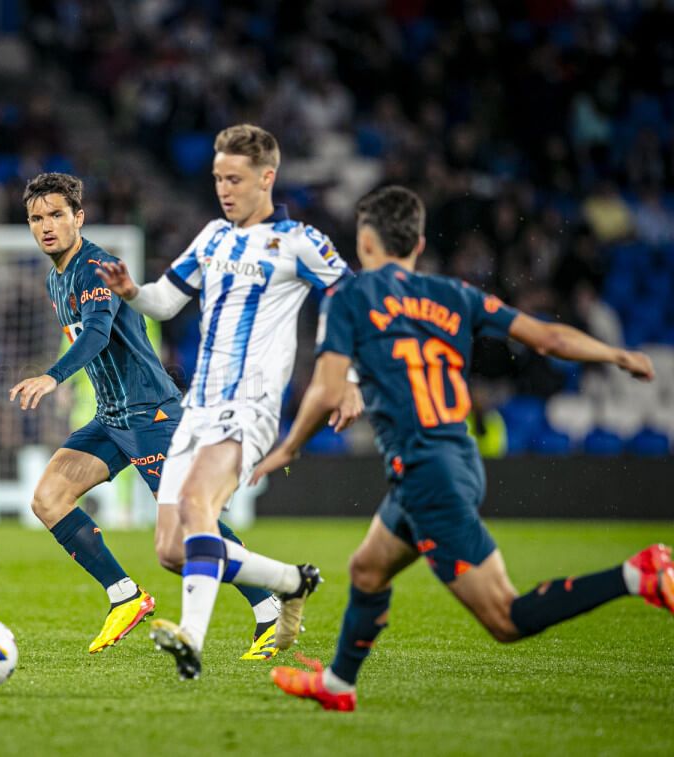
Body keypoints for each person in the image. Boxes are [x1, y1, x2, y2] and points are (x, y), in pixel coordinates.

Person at [255, 185, 671, 711]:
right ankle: (338, 684)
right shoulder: (453, 294)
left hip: (430, 475)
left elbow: (326, 388)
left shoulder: (350, 297)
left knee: (505, 618)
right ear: (419, 242)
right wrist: (615, 354)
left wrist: (291, 446)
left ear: (364, 241)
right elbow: (548, 339)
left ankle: (637, 574)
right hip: (454, 459)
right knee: (367, 568)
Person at [97, 124, 363, 679]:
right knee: (172, 549)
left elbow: (353, 297)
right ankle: (292, 583)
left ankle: (190, 637)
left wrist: (352, 376)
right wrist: (132, 293)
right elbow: (166, 303)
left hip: (252, 405)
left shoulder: (300, 243)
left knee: (198, 505)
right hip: (198, 405)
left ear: (267, 177)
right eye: (218, 177)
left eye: (235, 178)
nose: (224, 188)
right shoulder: (213, 237)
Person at [11, 172, 285, 659]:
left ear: (79, 218)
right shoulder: (57, 277)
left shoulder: (99, 267)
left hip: (150, 415)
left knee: (190, 524)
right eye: (36, 218)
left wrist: (52, 377)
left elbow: (95, 336)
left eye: (56, 215)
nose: (46, 225)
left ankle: (270, 607)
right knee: (49, 497)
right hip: (112, 418)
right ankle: (125, 597)